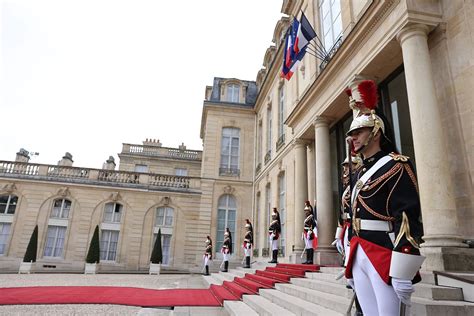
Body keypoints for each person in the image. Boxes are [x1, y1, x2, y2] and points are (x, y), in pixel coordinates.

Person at [342, 79, 424, 316]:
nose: (352, 138)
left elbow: (407, 217)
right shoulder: (359, 173)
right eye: (351, 133)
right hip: (359, 252)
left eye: (358, 132)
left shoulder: (397, 165)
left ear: (376, 131)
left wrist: (403, 267)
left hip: (384, 252)